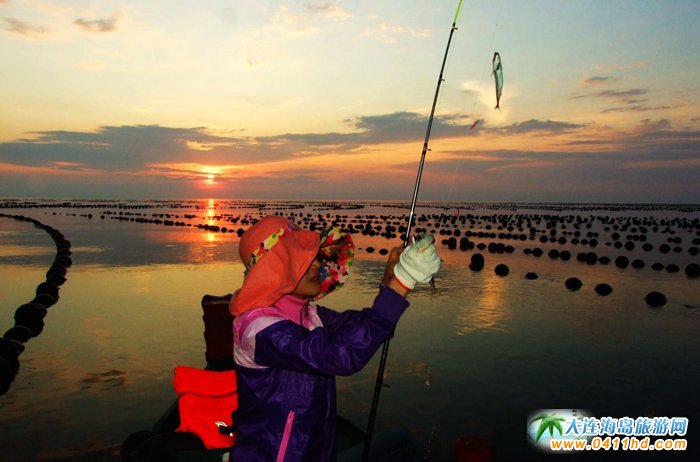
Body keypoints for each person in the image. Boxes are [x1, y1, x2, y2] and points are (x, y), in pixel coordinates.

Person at [228, 215, 441, 462]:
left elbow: (366, 328)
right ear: (277, 270)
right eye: (304, 259)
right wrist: (404, 281)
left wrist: (391, 281)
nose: (318, 264)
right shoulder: (257, 329)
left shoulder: (310, 315)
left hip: (318, 454)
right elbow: (341, 355)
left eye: (315, 256)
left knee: (401, 442)